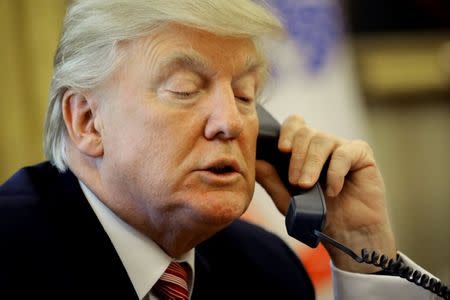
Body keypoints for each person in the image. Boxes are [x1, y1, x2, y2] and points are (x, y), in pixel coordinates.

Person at [0, 0, 444, 299]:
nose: (231, 122)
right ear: (87, 121)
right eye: (186, 89)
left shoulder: (267, 272)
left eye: (246, 95)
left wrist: (362, 252)